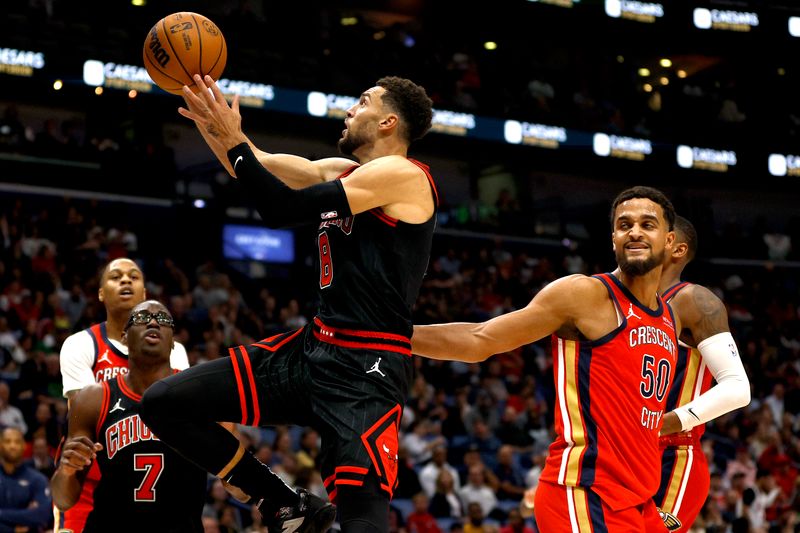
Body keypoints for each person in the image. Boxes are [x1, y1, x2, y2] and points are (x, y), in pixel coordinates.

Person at [140, 74, 437, 533]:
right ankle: (281, 500)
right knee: (165, 402)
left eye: (362, 101)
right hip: (312, 348)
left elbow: (279, 208)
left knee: (362, 520)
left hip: (366, 366)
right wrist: (209, 117)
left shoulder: (404, 175)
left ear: (388, 122)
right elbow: (255, 165)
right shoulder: (342, 171)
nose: (350, 108)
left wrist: (234, 140)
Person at [411, 186, 680, 532]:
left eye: (648, 224)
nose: (635, 232)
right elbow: (481, 339)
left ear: (670, 241)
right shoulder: (585, 295)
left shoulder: (669, 320)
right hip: (585, 493)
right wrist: (395, 335)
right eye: (624, 225)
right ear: (613, 238)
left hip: (638, 501)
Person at [56, 257, 189, 532]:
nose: (126, 280)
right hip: (91, 476)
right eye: (116, 277)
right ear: (101, 293)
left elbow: (179, 414)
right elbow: (87, 422)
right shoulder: (80, 344)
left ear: (144, 293)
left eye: (134, 276)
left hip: (155, 478)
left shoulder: (175, 350)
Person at [653, 215, 751, 532]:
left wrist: (663, 422)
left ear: (677, 249)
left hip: (672, 454)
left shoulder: (692, 300)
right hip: (622, 452)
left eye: (649, 227)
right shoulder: (619, 305)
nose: (636, 235)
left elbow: (737, 388)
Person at [0, 427, 53, 532]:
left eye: (17, 442)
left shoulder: (38, 479)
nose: (12, 446)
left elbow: (42, 515)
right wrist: (12, 530)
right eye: (7, 441)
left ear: (24, 446)